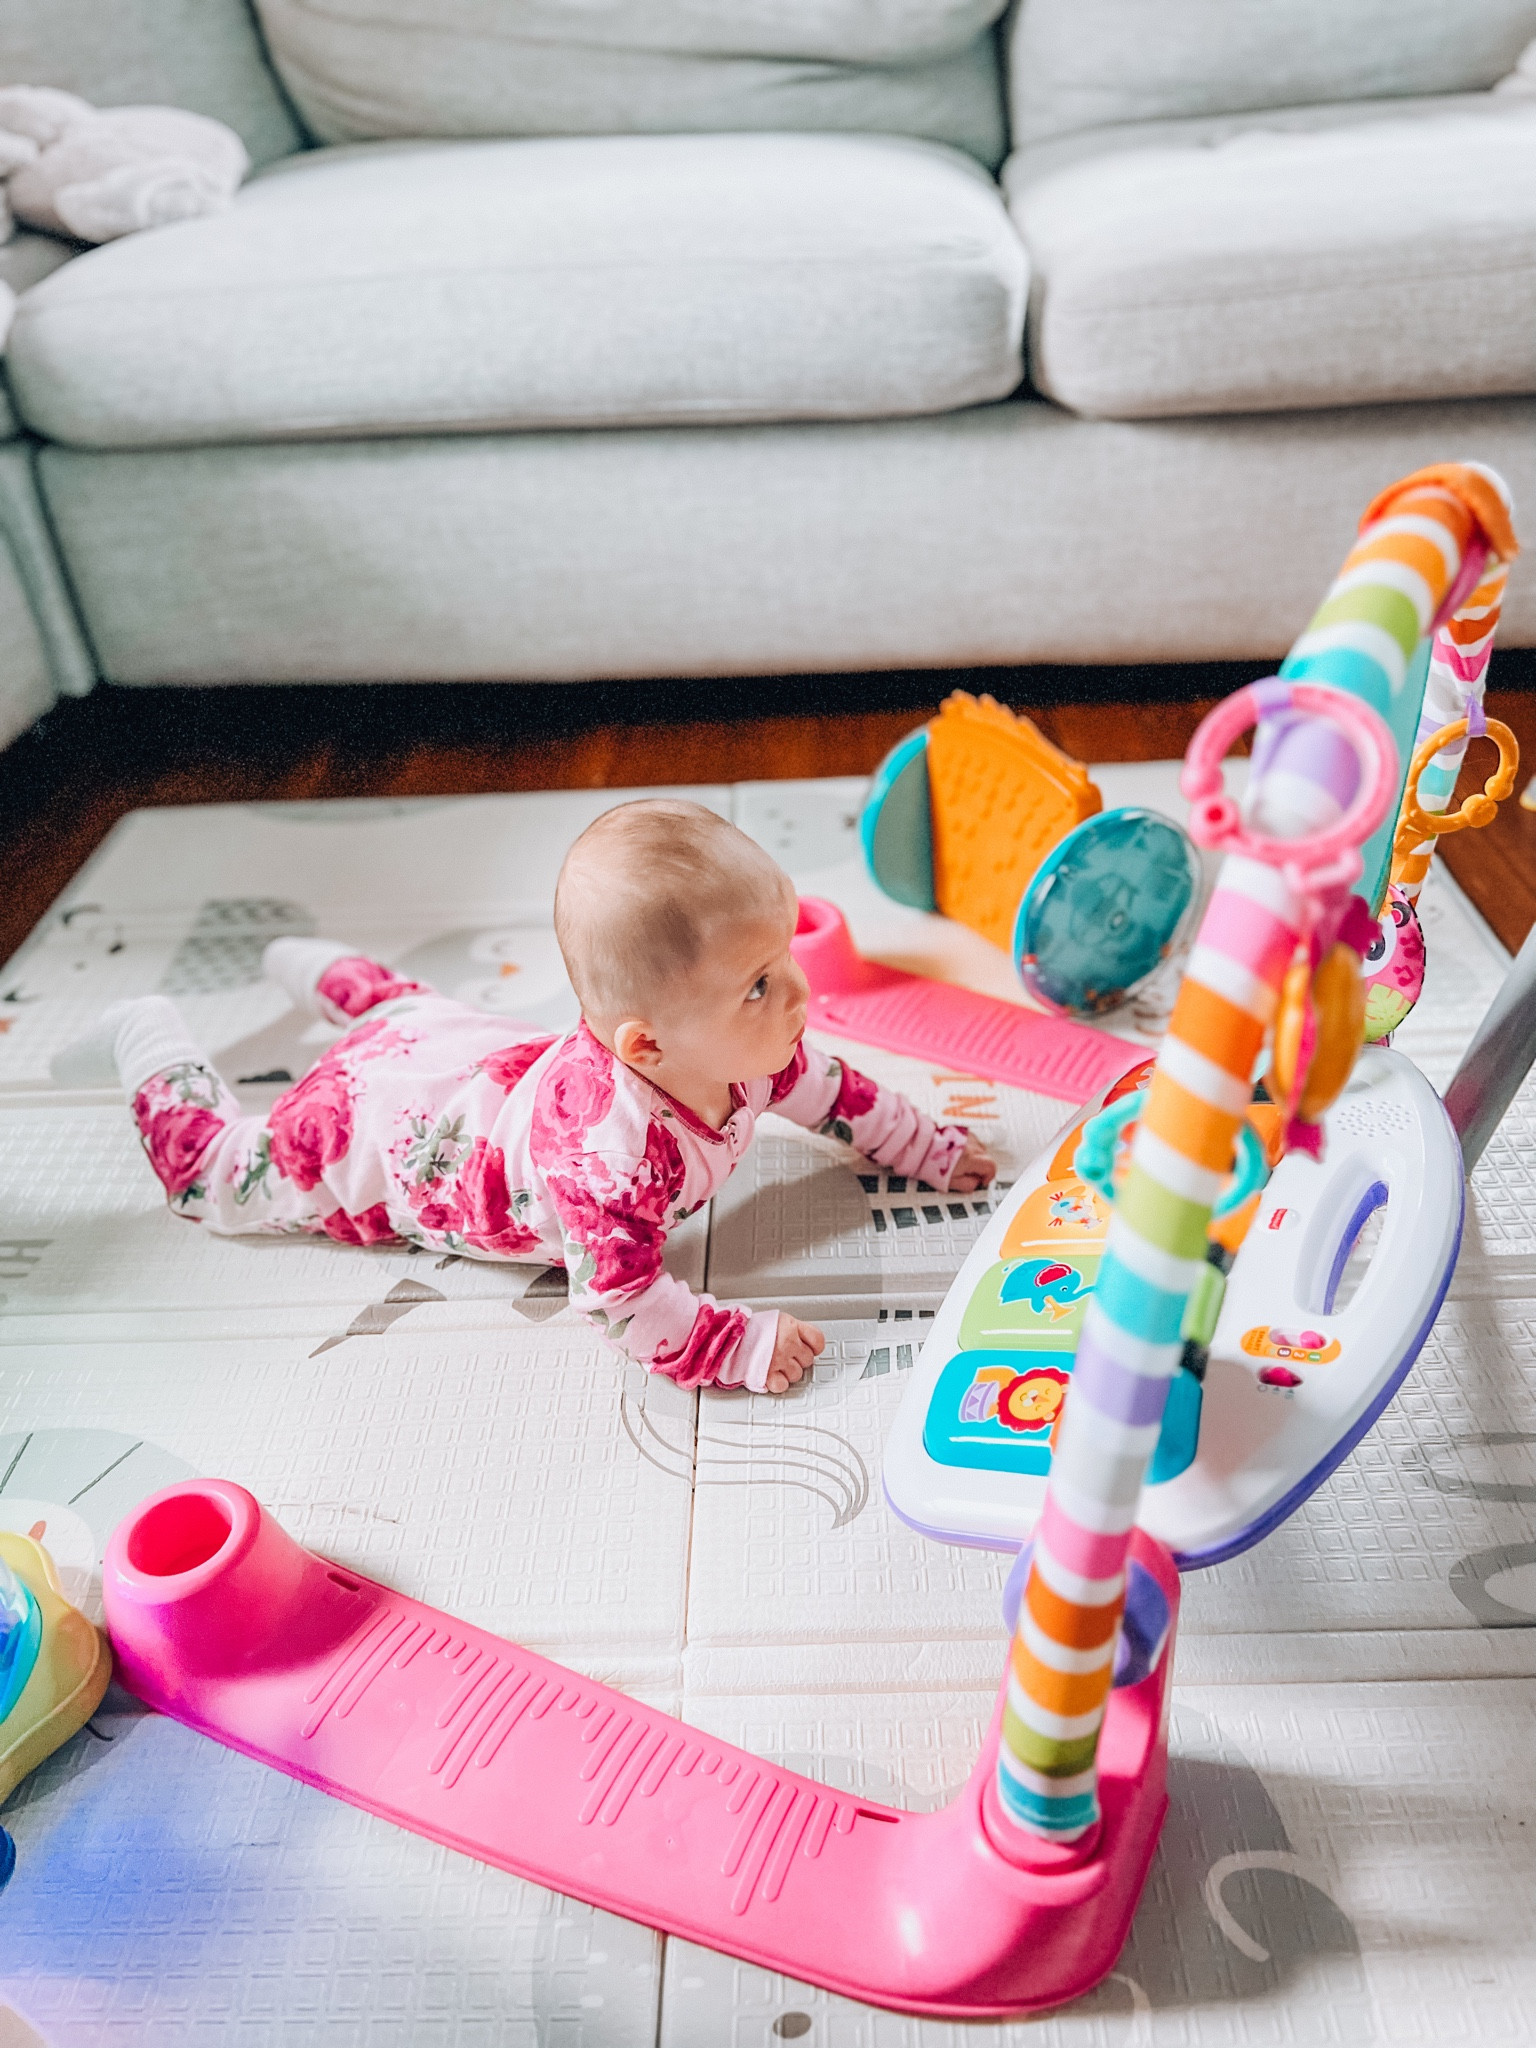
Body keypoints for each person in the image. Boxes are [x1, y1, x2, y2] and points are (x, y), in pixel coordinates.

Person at [54, 799, 995, 1395]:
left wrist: (927, 1147)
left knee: (423, 1018)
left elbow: (836, 1093)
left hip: (473, 1062)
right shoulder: (610, 1163)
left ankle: (314, 970)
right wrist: (736, 1345)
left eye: (782, 956)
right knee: (217, 1181)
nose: (795, 994)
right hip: (382, 1132)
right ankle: (149, 1033)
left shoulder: (747, 1049)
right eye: (757, 982)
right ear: (649, 1045)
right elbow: (623, 1301)